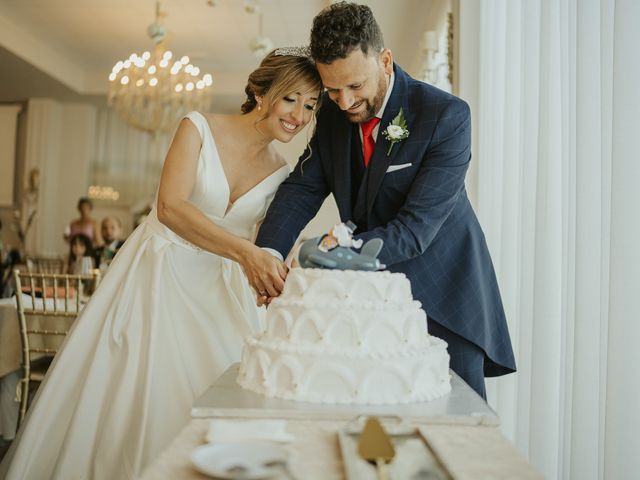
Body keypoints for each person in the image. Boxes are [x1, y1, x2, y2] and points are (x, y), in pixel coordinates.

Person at [0, 49, 322, 479]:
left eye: (311, 106)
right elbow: (170, 207)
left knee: (219, 393)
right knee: (142, 395)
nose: (299, 115)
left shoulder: (282, 172)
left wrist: (291, 265)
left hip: (218, 294)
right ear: (262, 93)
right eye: (291, 99)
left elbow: (266, 243)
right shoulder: (198, 127)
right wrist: (245, 253)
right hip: (159, 274)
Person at [252, 2, 516, 399]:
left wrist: (330, 252)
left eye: (355, 86)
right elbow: (303, 188)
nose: (343, 102)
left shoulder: (446, 117)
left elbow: (415, 230)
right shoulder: (333, 118)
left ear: (386, 60)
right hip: (371, 307)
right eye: (332, 90)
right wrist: (269, 253)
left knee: (451, 429)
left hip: (446, 300)